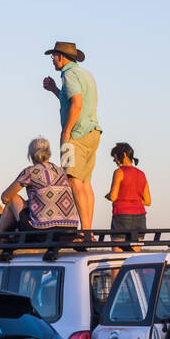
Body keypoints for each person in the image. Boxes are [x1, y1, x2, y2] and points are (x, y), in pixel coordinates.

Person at [41, 40, 101, 229]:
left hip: (75, 134)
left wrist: (66, 131)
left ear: (61, 57)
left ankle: (85, 230)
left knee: (73, 180)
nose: (52, 60)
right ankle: (87, 229)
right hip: (92, 132)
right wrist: (54, 91)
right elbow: (71, 100)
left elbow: (76, 102)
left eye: (54, 56)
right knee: (85, 182)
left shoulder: (69, 74)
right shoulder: (85, 74)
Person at [0, 136, 81, 232]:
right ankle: (3, 235)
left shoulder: (30, 171)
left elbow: (5, 196)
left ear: (31, 155)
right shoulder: (61, 171)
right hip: (70, 229)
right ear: (49, 154)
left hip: (41, 229)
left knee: (12, 198)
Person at [105, 142, 150, 232]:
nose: (114, 160)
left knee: (118, 245)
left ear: (124, 154)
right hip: (140, 217)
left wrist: (108, 196)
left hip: (122, 215)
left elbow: (113, 197)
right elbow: (148, 201)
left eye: (115, 157)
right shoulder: (141, 174)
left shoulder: (119, 172)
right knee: (136, 244)